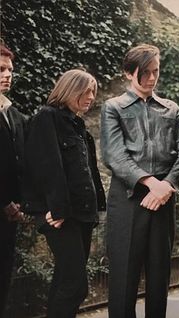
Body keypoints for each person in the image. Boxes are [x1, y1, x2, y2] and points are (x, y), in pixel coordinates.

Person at [100, 44, 179, 318]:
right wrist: (154, 184)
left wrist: (168, 186)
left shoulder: (171, 109)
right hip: (128, 200)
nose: (152, 78)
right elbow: (114, 155)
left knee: (158, 276)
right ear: (129, 73)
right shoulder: (113, 107)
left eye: (156, 72)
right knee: (123, 279)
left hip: (163, 200)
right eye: (145, 73)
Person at [23, 69, 106, 318]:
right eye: (86, 90)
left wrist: (95, 208)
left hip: (81, 215)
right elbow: (46, 164)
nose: (91, 97)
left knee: (65, 281)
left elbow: (88, 173)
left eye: (94, 91)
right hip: (60, 215)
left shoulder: (79, 127)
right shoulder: (47, 117)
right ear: (69, 89)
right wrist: (56, 208)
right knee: (75, 285)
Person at [0, 43, 25, 317]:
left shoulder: (11, 113)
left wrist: (18, 203)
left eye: (10, 70)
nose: (8, 74)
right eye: (1, 69)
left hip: (8, 217)